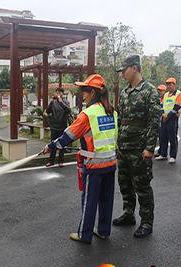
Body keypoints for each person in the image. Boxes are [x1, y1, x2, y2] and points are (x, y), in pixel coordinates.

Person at [43, 74, 117, 244]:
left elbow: (69, 135)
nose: (82, 94)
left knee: (89, 201)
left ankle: (85, 234)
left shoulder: (88, 114)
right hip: (110, 163)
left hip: (94, 166)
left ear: (92, 93)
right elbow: (114, 138)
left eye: (84, 91)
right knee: (106, 199)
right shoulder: (112, 112)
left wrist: (52, 146)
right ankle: (104, 231)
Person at [113, 55, 160, 238]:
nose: (122, 73)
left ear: (134, 68)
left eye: (124, 70)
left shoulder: (150, 91)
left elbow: (154, 122)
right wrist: (118, 144)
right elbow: (121, 119)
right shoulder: (125, 92)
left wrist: (149, 148)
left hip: (140, 150)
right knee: (125, 184)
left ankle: (147, 222)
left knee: (142, 186)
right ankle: (128, 214)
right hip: (124, 148)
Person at [155, 77, 181, 163]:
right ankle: (163, 154)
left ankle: (173, 156)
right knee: (163, 136)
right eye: (167, 84)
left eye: (170, 84)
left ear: (174, 85)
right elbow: (161, 105)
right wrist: (163, 114)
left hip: (172, 119)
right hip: (164, 118)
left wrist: (168, 116)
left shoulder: (179, 94)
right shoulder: (166, 94)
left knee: (172, 138)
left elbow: (177, 107)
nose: (169, 86)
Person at [43, 88, 71, 167]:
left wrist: (61, 102)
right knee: (53, 144)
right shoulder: (52, 102)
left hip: (63, 127)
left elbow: (68, 111)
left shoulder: (66, 102)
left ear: (63, 93)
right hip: (54, 127)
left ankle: (61, 161)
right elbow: (47, 112)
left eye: (60, 92)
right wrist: (49, 118)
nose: (58, 94)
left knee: (62, 144)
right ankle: (51, 161)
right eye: (57, 92)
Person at [155, 85, 166, 157]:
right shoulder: (159, 99)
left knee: (163, 137)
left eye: (161, 90)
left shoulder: (166, 98)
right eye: (159, 90)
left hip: (164, 120)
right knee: (160, 136)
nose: (160, 92)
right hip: (159, 119)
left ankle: (162, 153)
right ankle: (160, 151)